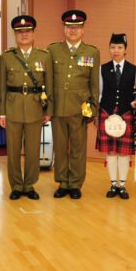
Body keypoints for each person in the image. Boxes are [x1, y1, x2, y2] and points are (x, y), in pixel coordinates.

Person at [0, 15, 53, 200]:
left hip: (35, 108)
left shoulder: (44, 56)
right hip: (12, 109)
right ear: (15, 35)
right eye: (20, 32)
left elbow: (49, 86)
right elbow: (1, 87)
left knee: (32, 150)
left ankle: (29, 185)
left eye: (27, 31)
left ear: (33, 34)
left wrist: (48, 110)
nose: (24, 34)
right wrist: (2, 112)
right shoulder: (6, 57)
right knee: (13, 151)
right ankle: (16, 185)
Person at [48, 10, 100, 199]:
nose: (73, 30)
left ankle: (76, 183)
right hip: (58, 107)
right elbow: (48, 81)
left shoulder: (92, 52)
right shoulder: (53, 50)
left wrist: (93, 109)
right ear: (64, 28)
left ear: (83, 30)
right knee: (60, 147)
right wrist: (48, 107)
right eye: (69, 27)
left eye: (77, 27)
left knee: (78, 148)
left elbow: (94, 84)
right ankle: (63, 182)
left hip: (80, 108)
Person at [97, 33, 136, 199]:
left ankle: (122, 185)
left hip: (125, 113)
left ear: (125, 50)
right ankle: (113, 184)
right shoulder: (102, 69)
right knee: (111, 151)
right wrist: (97, 114)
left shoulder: (134, 69)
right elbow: (99, 93)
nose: (116, 50)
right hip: (107, 113)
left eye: (119, 47)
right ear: (109, 49)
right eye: (112, 47)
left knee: (123, 152)